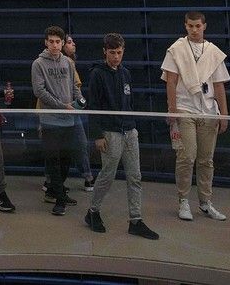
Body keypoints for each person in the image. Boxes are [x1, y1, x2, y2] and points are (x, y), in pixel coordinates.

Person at [84, 33, 159, 239]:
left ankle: (135, 219)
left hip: (129, 131)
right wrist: (98, 135)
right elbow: (93, 106)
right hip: (110, 131)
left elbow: (130, 101)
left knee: (135, 176)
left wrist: (132, 126)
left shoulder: (126, 73)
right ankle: (93, 211)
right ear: (104, 52)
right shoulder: (97, 74)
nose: (116, 57)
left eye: (119, 53)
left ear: (123, 51)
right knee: (107, 175)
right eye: (112, 53)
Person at [162, 12, 230, 223]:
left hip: (208, 110)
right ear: (185, 26)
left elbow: (219, 85)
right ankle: (183, 200)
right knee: (186, 156)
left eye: (197, 26)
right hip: (184, 108)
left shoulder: (213, 52)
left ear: (204, 26)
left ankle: (205, 202)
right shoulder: (177, 49)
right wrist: (172, 111)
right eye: (190, 25)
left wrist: (224, 115)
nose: (194, 29)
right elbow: (170, 82)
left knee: (206, 159)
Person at [32, 26, 85, 216]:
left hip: (69, 120)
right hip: (50, 120)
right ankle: (59, 200)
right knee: (53, 160)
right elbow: (40, 91)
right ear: (46, 42)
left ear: (63, 43)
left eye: (58, 41)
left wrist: (79, 102)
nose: (55, 45)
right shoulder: (38, 64)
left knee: (66, 159)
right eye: (51, 41)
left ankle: (57, 191)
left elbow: (74, 86)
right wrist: (63, 106)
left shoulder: (68, 63)